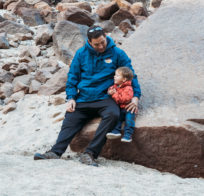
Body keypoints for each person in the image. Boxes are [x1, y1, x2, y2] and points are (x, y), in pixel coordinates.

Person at [34, 25, 141, 166]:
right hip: (83, 98)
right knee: (70, 117)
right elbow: (73, 77)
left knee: (113, 114)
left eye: (103, 42)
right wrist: (71, 98)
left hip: (105, 98)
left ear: (105, 36)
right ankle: (55, 152)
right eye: (97, 44)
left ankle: (90, 154)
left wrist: (136, 96)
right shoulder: (81, 54)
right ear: (89, 42)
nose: (101, 46)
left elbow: (131, 75)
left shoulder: (117, 53)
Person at [106, 67, 136, 143]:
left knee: (129, 121)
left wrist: (114, 94)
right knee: (117, 119)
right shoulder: (116, 86)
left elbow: (124, 99)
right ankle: (116, 131)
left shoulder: (128, 88)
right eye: (115, 75)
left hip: (128, 109)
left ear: (124, 79)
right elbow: (111, 89)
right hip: (120, 109)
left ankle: (127, 136)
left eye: (117, 75)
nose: (114, 76)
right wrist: (110, 92)